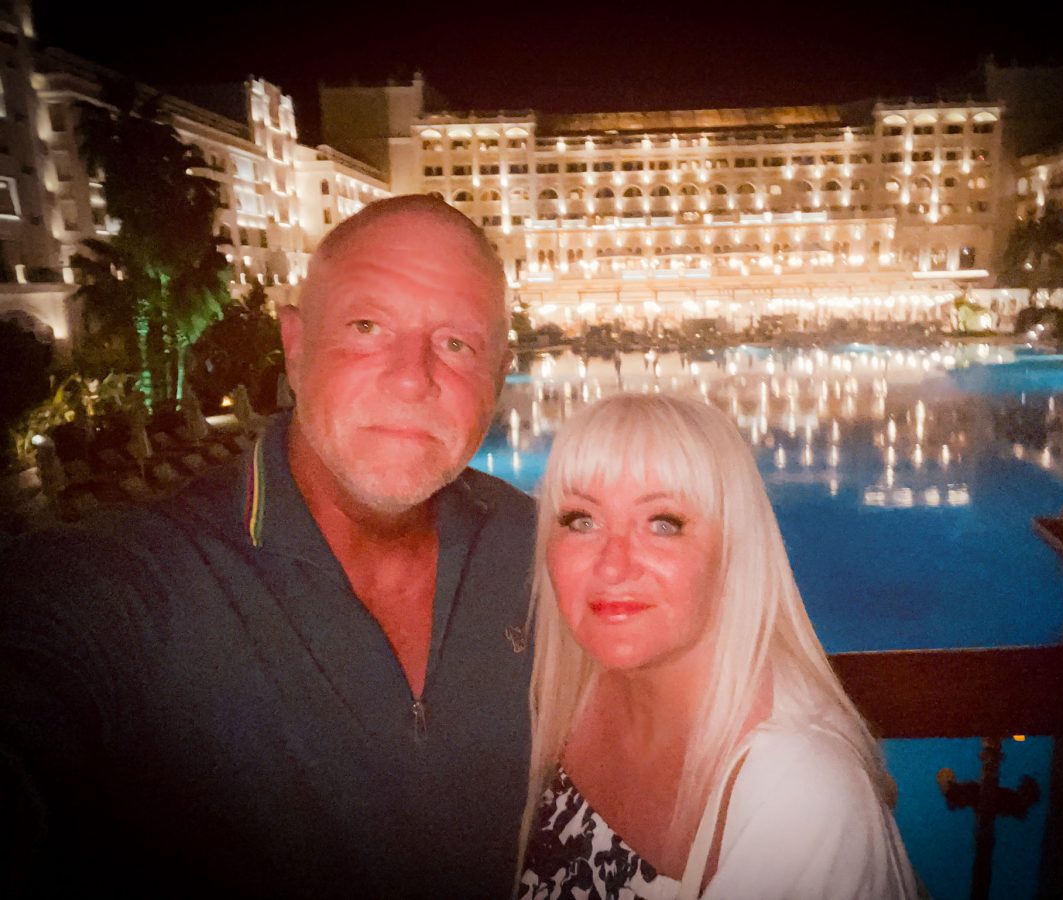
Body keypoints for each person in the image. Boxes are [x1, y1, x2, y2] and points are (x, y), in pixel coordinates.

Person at [0, 195, 536, 898]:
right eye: (367, 326)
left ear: (500, 371)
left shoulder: (547, 549)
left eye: (457, 344)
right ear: (294, 344)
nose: (413, 376)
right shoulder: (129, 582)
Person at [517, 393, 917, 899]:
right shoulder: (573, 690)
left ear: (734, 552)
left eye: (663, 523)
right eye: (581, 520)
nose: (612, 566)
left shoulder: (799, 796)